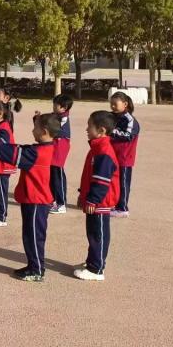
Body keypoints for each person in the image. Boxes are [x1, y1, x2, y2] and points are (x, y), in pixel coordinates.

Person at [0, 112, 60, 281]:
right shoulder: (43, 147)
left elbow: (15, 154)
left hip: (37, 200)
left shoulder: (37, 153)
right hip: (32, 199)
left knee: (34, 236)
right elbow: (21, 148)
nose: (32, 130)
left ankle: (37, 270)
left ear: (44, 132)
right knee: (29, 235)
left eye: (35, 128)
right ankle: (33, 265)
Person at [74, 111, 121, 281]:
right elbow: (89, 175)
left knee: (98, 234)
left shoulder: (104, 151)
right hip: (95, 199)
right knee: (92, 232)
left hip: (101, 201)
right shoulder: (96, 148)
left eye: (90, 126)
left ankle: (97, 268)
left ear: (101, 130)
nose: (86, 129)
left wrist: (92, 199)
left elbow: (102, 181)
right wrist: (83, 194)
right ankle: (93, 261)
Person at [109, 91, 140, 218]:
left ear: (125, 104)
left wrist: (111, 131)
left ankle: (122, 208)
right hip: (113, 156)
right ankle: (114, 204)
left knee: (123, 183)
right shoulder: (112, 116)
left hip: (125, 158)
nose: (112, 107)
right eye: (111, 104)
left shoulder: (130, 120)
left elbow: (128, 135)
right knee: (113, 181)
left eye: (115, 104)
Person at [49, 94, 74, 214]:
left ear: (64, 108)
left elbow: (56, 130)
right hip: (53, 146)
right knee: (52, 174)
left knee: (58, 174)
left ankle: (61, 203)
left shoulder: (64, 118)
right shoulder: (55, 115)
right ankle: (53, 200)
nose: (54, 107)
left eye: (56, 105)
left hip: (60, 147)